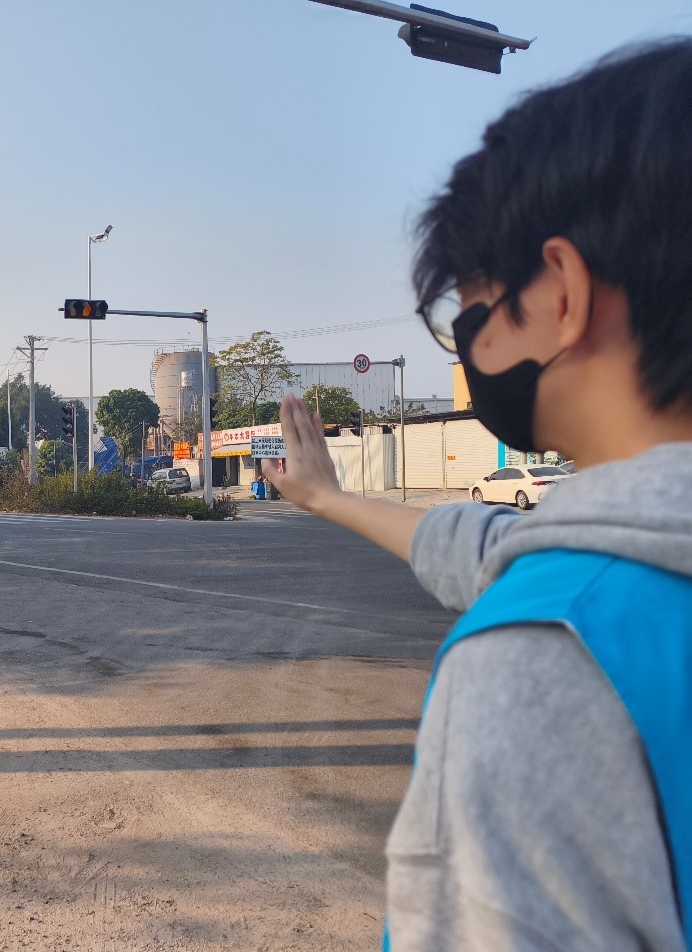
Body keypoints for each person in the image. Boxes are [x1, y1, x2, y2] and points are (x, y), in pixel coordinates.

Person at [268, 42, 692, 951]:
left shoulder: (545, 657)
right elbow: (493, 550)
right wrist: (327, 498)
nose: (464, 344)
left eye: (467, 311)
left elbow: (546, 580)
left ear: (562, 293)